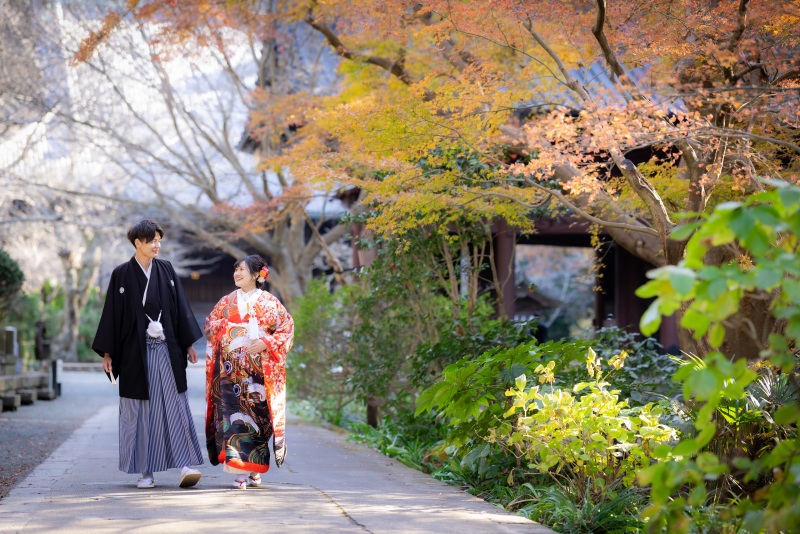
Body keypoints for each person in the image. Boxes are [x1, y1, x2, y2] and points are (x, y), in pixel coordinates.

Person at [92, 219, 204, 489]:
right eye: (152, 240)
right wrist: (108, 353)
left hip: (166, 348)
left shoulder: (166, 269)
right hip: (134, 353)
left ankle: (184, 466)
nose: (157, 245)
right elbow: (112, 315)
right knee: (141, 411)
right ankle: (146, 471)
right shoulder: (121, 274)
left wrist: (188, 344)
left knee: (174, 405)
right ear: (137, 243)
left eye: (159, 240)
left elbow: (179, 308)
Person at [204, 255, 294, 489]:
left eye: (242, 270)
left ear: (256, 275)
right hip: (231, 373)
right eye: (235, 269)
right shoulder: (226, 302)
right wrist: (226, 326)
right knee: (234, 420)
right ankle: (240, 473)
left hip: (260, 372)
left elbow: (286, 329)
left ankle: (255, 469)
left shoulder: (270, 302)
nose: (236, 273)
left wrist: (267, 343)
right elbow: (209, 325)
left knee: (260, 421)